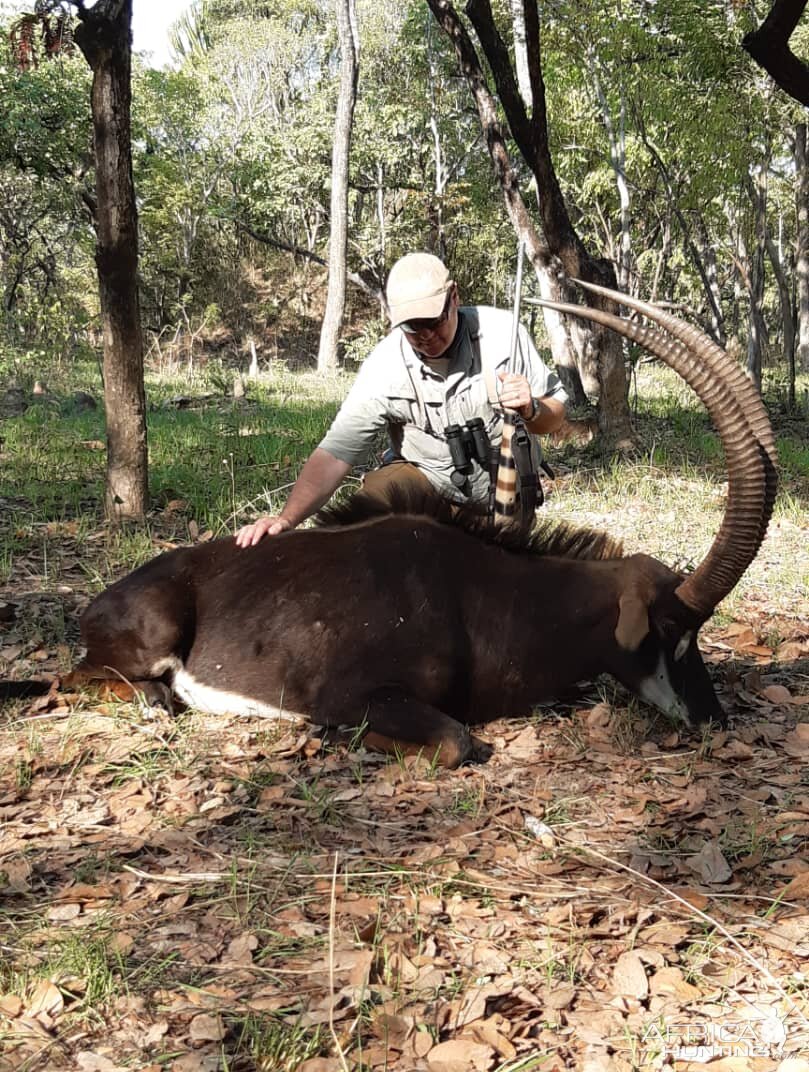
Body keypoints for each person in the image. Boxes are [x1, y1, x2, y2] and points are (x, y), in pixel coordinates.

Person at [236, 251, 567, 547]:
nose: (425, 336)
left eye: (433, 321)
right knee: (372, 507)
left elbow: (555, 416)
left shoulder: (503, 335)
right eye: (411, 327)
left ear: (454, 297)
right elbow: (337, 452)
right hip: (428, 495)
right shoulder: (384, 366)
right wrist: (286, 519)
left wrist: (531, 407)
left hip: (505, 498)